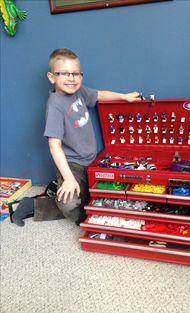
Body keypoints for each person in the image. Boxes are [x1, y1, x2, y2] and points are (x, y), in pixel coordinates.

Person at [12, 48, 143, 227]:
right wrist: (68, 178)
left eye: (76, 73)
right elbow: (54, 146)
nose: (72, 78)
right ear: (52, 77)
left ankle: (34, 204)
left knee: (101, 193)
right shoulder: (55, 106)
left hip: (92, 160)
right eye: (64, 74)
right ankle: (82, 217)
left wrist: (124, 97)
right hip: (72, 164)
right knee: (70, 203)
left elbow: (100, 95)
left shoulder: (79, 92)